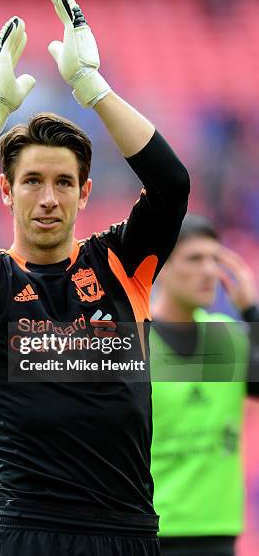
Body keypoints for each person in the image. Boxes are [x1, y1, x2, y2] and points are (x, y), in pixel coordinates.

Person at [0, 0, 190, 556]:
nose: (48, 198)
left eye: (63, 183)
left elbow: (171, 185)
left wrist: (93, 88)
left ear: (85, 193)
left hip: (127, 534)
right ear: (6, 191)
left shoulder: (119, 264)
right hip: (28, 531)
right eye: (32, 181)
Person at [150, 214, 259, 556]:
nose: (210, 271)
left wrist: (252, 311)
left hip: (218, 534)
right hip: (149, 533)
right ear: (161, 267)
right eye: (195, 259)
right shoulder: (130, 343)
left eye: (215, 259)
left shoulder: (228, 338)